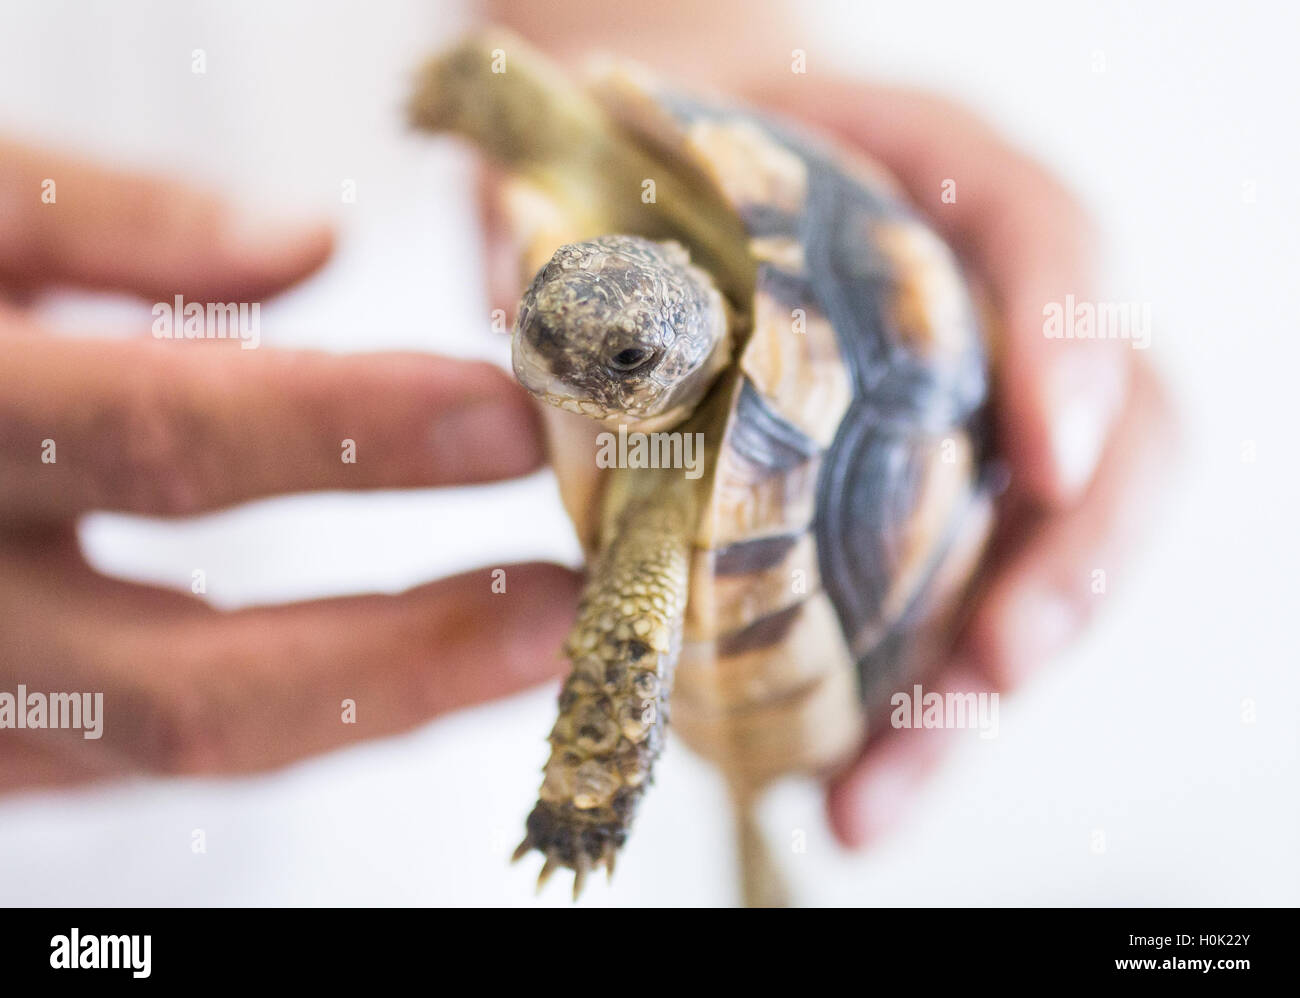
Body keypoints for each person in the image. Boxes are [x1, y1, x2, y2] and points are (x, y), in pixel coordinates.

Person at [0, 1, 1174, 852]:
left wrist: (582, 798)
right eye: (567, 292)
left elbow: (632, 635)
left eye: (610, 361)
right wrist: (483, 90)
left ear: (666, 373)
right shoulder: (629, 224)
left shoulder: (671, 493)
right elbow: (534, 105)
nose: (554, 347)